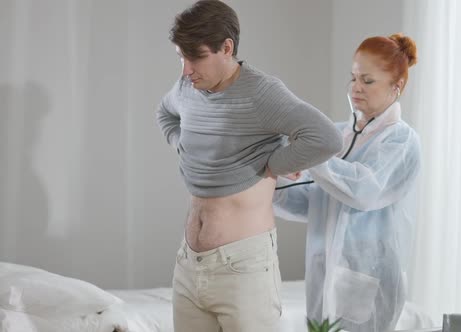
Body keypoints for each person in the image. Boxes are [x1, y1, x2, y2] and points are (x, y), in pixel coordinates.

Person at [156, 1, 343, 331]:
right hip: (188, 265)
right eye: (180, 57)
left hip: (244, 269)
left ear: (226, 48)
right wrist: (181, 146)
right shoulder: (187, 88)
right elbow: (165, 113)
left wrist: (273, 164)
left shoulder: (261, 92)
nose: (186, 69)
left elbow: (326, 138)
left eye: (195, 56)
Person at [273, 33, 421, 332]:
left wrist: (311, 156)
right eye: (353, 78)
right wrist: (271, 181)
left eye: (367, 81)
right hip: (323, 274)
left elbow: (364, 191)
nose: (355, 88)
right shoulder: (338, 136)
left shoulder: (401, 140)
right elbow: (312, 202)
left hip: (367, 276)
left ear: (397, 85)